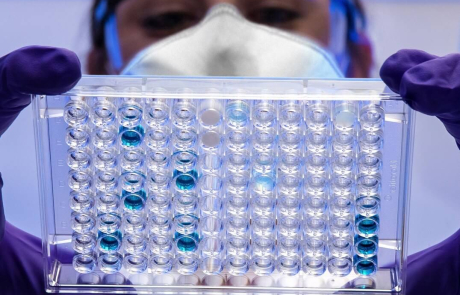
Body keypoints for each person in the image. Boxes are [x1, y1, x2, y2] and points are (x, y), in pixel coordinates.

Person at [0, 0, 459, 294]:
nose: (224, 42)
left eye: (275, 13)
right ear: (100, 68)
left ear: (357, 60)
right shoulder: (59, 273)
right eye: (169, 18)